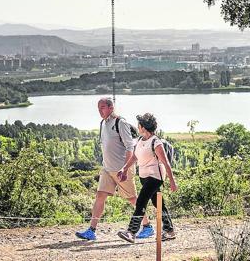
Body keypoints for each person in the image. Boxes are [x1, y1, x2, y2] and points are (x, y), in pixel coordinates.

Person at [75, 98, 154, 240]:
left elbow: (130, 147)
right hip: (107, 168)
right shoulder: (103, 123)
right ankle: (91, 231)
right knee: (100, 196)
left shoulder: (120, 123)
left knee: (132, 199)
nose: (100, 111)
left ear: (111, 108)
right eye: (98, 108)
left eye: (103, 107)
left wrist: (124, 168)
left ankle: (147, 227)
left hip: (121, 169)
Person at [117, 113, 177, 243]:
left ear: (143, 127)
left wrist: (172, 181)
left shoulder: (156, 142)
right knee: (159, 204)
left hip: (155, 177)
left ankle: (131, 232)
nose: (138, 126)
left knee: (141, 202)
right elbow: (134, 157)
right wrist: (124, 168)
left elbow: (166, 163)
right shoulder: (139, 140)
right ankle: (170, 231)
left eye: (139, 124)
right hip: (144, 177)